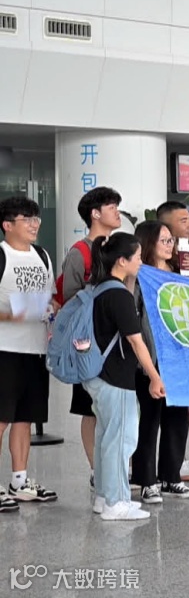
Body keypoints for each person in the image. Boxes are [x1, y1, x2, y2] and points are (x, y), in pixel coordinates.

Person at [84, 232, 165, 520]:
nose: (141, 262)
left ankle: (104, 497)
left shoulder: (98, 288)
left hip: (98, 374)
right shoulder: (118, 295)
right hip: (116, 376)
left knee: (107, 436)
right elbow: (135, 340)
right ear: (122, 260)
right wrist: (155, 376)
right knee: (120, 440)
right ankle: (116, 502)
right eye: (138, 257)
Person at [130, 222, 189, 503]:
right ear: (148, 243)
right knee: (150, 420)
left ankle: (171, 476)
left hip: (178, 357)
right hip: (151, 357)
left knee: (178, 419)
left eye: (172, 240)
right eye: (164, 240)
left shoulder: (178, 273)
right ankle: (146, 480)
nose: (170, 245)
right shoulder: (140, 276)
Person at [0, 197, 58, 512]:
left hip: (36, 350)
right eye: (28, 219)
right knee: (1, 419)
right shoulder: (2, 255)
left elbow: (50, 299)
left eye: (36, 219)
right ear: (7, 225)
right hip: (4, 350)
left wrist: (50, 310)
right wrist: (14, 314)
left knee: (24, 417)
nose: (35, 224)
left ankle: (19, 482)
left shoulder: (42, 255)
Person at [65, 186, 123, 492]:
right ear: (95, 214)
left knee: (116, 405)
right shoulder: (80, 252)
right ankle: (95, 469)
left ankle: (116, 466)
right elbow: (69, 300)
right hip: (89, 343)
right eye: (112, 207)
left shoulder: (120, 248)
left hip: (119, 342)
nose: (117, 212)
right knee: (90, 408)